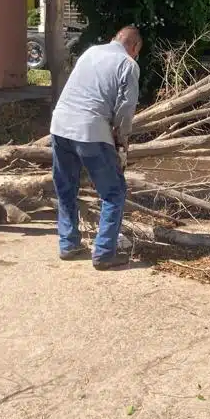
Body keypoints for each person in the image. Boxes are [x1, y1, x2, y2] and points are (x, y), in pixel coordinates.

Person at [49, 26, 142, 269]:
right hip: (90, 130)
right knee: (114, 192)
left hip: (59, 125)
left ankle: (68, 244)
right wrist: (121, 139)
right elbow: (125, 108)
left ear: (113, 38)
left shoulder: (90, 53)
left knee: (66, 188)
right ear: (134, 48)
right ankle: (104, 253)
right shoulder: (128, 64)